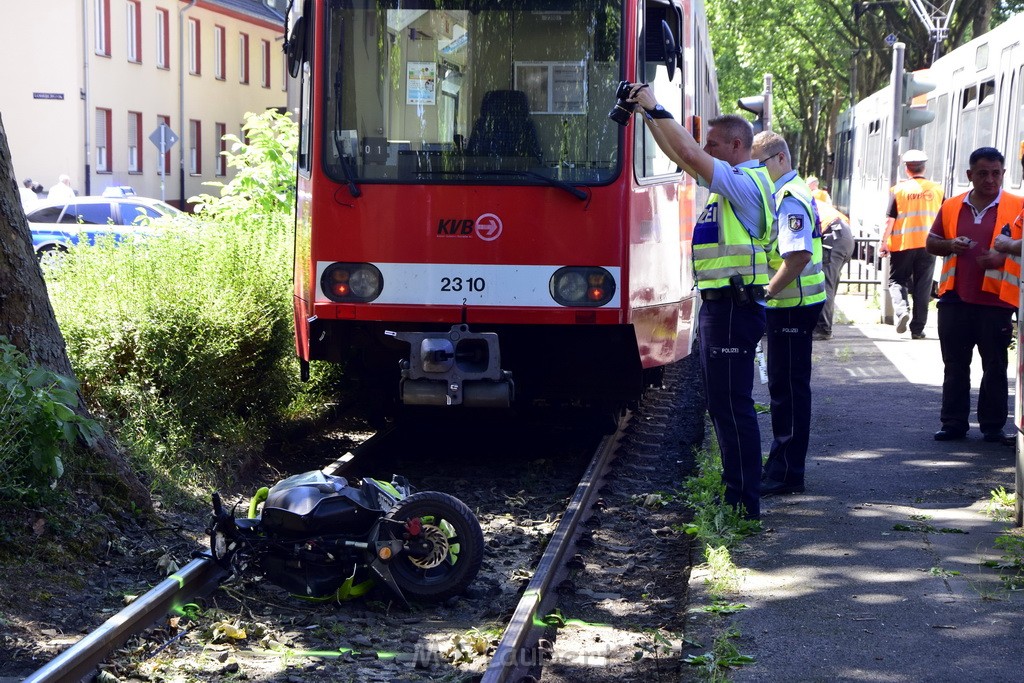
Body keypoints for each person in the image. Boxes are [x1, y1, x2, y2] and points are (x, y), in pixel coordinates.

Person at [627, 85, 774, 521]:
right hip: (720, 309)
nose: (702, 151)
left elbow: (687, 154)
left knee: (733, 406)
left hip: (734, 308)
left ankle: (744, 505)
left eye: (712, 144)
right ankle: (736, 494)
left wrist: (655, 105)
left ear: (735, 146)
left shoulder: (746, 184)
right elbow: (681, 154)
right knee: (721, 405)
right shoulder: (727, 187)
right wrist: (647, 118)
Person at [925, 147, 1024, 443]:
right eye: (983, 173)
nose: (990, 180)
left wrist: (1001, 255)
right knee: (955, 364)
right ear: (970, 175)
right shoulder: (952, 205)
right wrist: (951, 244)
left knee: (995, 365)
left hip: (997, 300)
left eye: (996, 173)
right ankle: (953, 423)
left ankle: (993, 426)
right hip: (955, 297)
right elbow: (931, 242)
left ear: (1004, 174)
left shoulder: (1018, 206)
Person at [751, 131, 826, 496]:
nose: (758, 171)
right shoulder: (790, 191)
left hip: (793, 308)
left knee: (789, 393)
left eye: (760, 164)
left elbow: (797, 257)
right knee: (785, 389)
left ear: (779, 159)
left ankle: (787, 473)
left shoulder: (790, 197)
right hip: (793, 307)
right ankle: (783, 467)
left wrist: (765, 293)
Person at [879, 150, 944, 339]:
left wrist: (884, 243)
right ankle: (918, 330)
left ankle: (901, 311)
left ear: (907, 169)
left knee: (897, 280)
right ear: (924, 167)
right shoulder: (937, 189)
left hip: (903, 244)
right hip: (929, 245)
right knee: (923, 286)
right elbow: (945, 217)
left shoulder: (898, 190)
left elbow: (889, 220)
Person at [812, 198, 856, 340]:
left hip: (833, 235)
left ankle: (823, 328)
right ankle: (823, 325)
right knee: (830, 282)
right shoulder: (810, 197)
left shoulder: (794, 198)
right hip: (843, 234)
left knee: (825, 284)